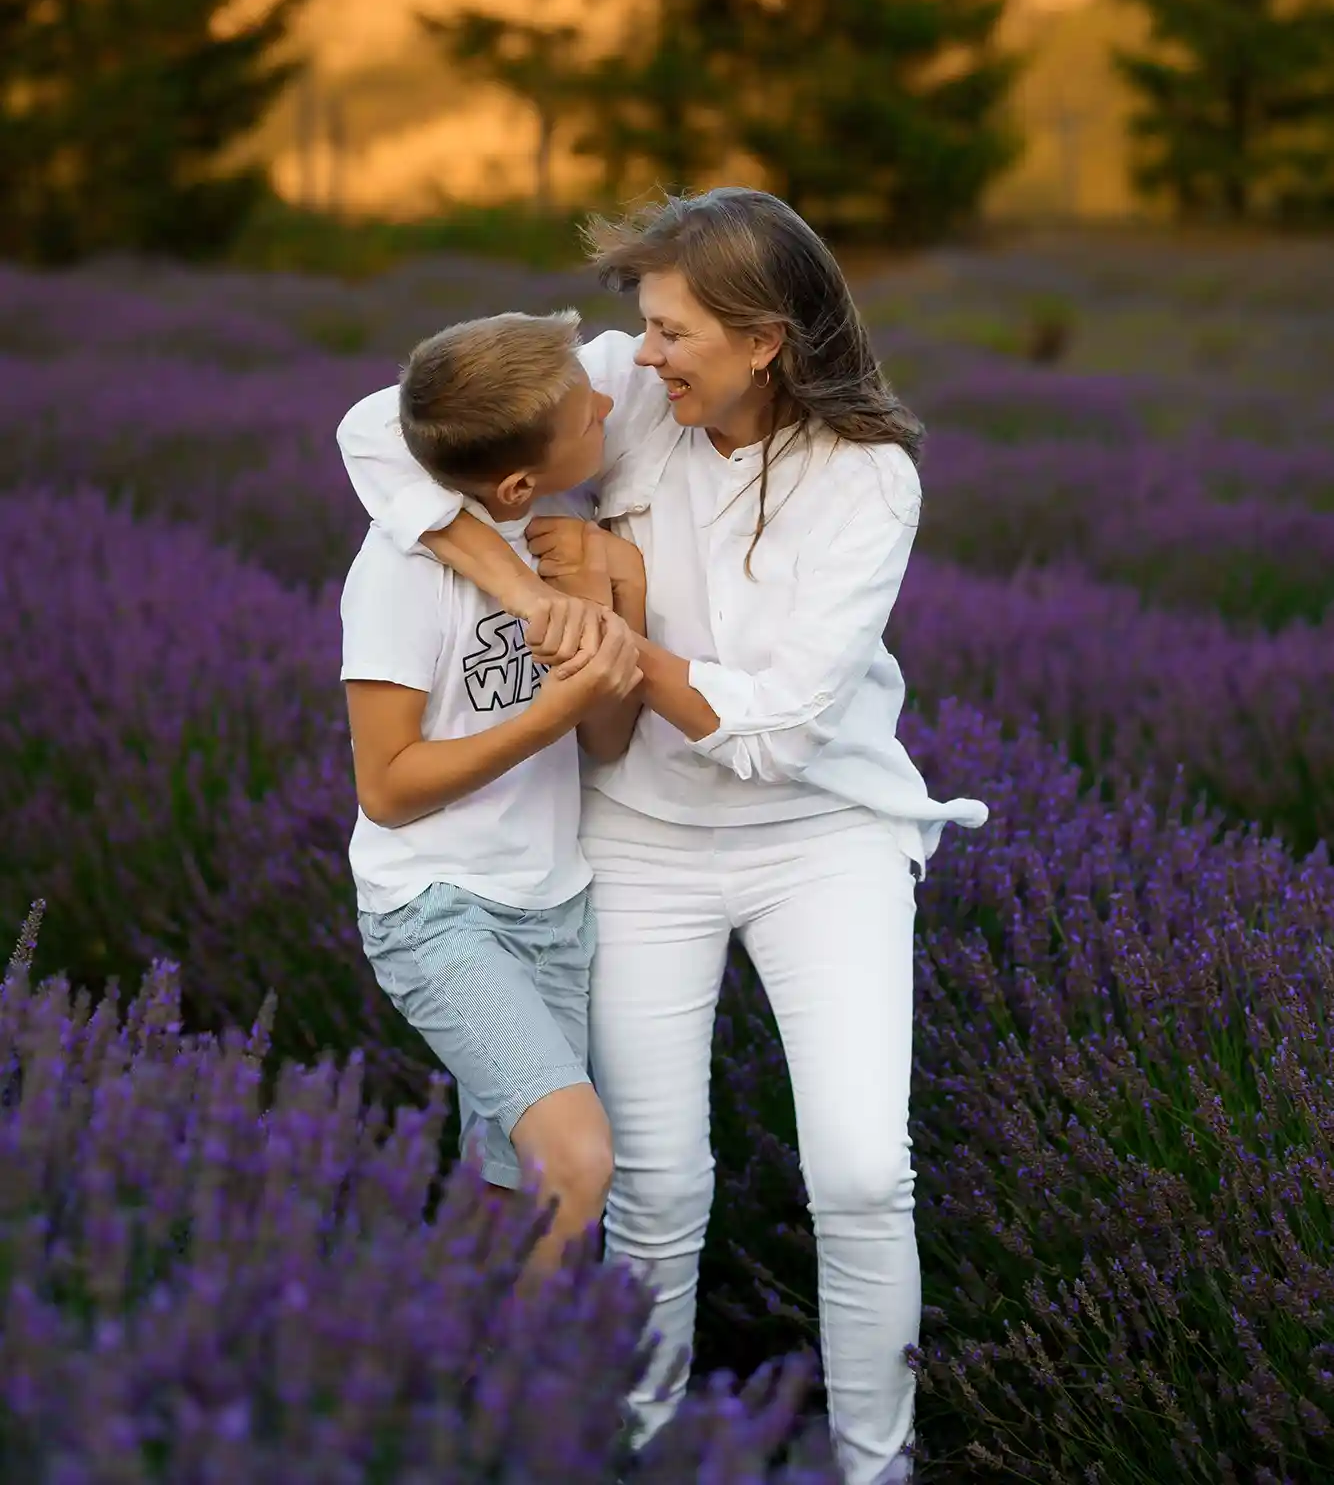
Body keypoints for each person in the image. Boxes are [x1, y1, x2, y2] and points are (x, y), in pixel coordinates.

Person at [336, 190, 989, 1485]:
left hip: (823, 836)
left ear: (763, 340)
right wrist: (523, 585)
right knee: (656, 1183)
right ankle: (638, 1446)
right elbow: (379, 423)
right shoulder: (632, 386)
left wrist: (615, 631)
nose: (639, 355)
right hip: (637, 837)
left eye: (671, 331)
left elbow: (775, 735)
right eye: (641, 326)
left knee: (863, 1175)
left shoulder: (865, 479)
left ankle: (875, 1466)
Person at [340, 309, 645, 1280]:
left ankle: (430, 1346)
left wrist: (612, 598)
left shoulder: (559, 526)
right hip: (437, 908)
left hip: (554, 906)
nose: (607, 406)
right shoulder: (398, 571)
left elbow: (608, 738)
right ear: (514, 480)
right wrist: (551, 709)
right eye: (586, 414)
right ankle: (524, 1373)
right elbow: (387, 789)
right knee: (578, 1162)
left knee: (507, 1191)